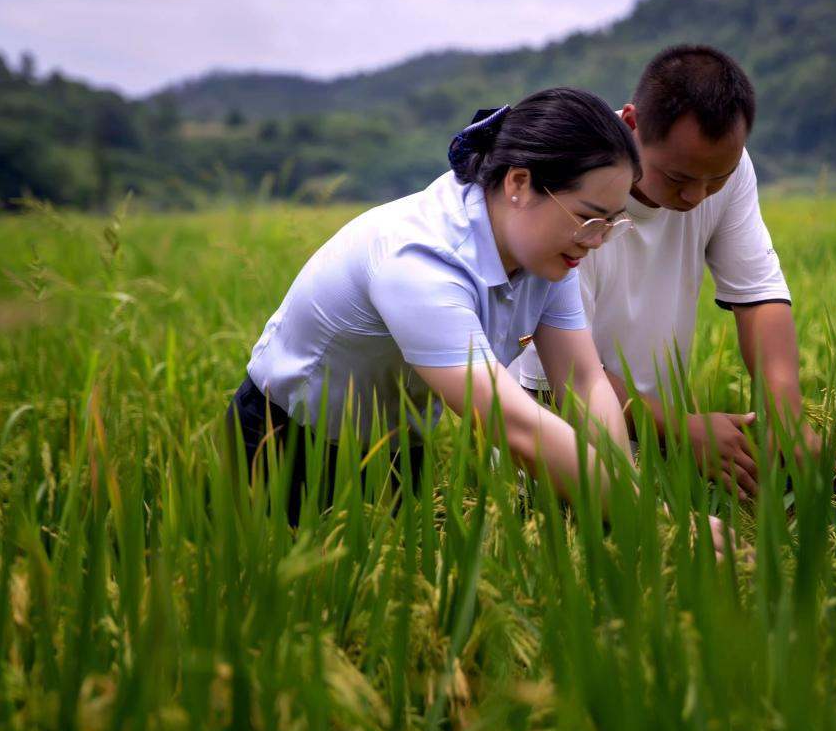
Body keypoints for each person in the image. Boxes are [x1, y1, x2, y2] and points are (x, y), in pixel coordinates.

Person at [226, 87, 642, 523]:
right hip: (286, 443)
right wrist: (657, 522)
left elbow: (582, 383)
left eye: (612, 223)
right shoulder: (420, 258)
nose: (597, 241)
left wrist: (629, 489)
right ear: (519, 183)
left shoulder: (548, 255)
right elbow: (513, 425)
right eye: (589, 218)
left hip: (399, 445)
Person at [513, 45, 826, 498]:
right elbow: (552, 377)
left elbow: (757, 294)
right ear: (632, 125)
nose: (696, 196)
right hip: (554, 456)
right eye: (677, 178)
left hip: (663, 457)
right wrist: (680, 429)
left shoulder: (724, 167)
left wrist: (786, 416)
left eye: (715, 178)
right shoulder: (570, 184)